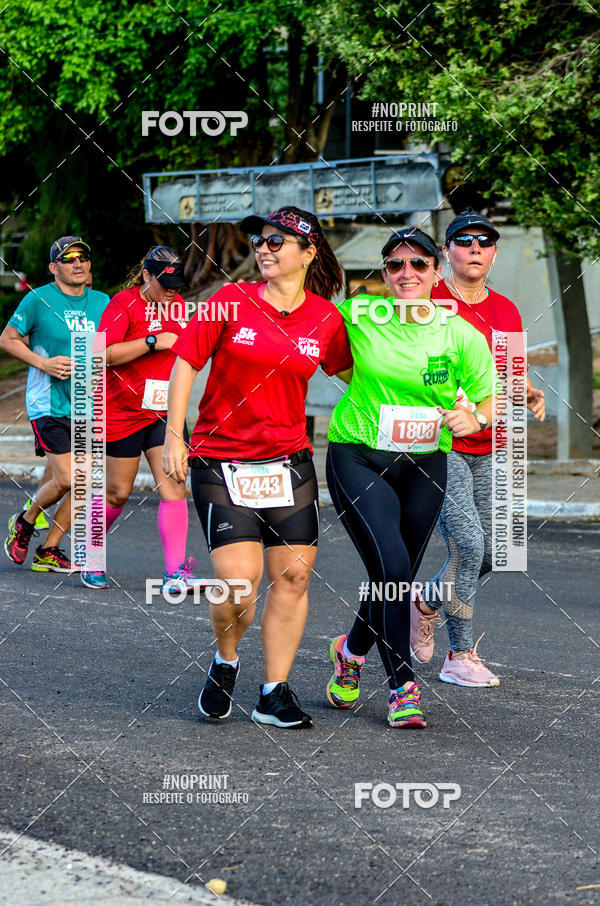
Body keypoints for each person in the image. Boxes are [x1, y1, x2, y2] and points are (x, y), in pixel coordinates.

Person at [163, 206, 352, 728]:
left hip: (290, 463)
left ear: (308, 252)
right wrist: (175, 435)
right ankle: (226, 661)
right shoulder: (229, 300)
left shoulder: (326, 318)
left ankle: (274, 692)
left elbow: (366, 374)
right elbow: (185, 364)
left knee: (291, 576)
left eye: (277, 241)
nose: (264, 249)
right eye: (261, 241)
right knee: (238, 586)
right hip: (220, 461)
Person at [325, 226, 499, 728]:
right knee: (395, 569)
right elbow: (327, 356)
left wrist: (476, 419)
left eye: (418, 264)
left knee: (392, 574)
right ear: (384, 273)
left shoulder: (460, 333)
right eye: (396, 265)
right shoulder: (358, 315)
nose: (407, 273)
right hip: (359, 456)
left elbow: (489, 397)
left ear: (436, 272)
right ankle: (402, 686)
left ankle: (351, 651)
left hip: (425, 464)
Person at [409, 209, 545, 685]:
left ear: (493, 253)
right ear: (446, 252)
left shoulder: (505, 309)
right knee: (468, 545)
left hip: (494, 439)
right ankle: (459, 655)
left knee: (495, 551)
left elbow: (507, 367)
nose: (474, 249)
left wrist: (526, 388)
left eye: (484, 242)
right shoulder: (428, 299)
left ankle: (426, 599)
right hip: (441, 441)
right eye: (463, 241)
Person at [80, 246, 207, 593]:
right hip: (120, 412)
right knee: (118, 493)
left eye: (177, 285)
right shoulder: (124, 303)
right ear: (146, 276)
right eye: (165, 284)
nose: (172, 291)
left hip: (163, 412)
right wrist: (151, 341)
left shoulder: (179, 306)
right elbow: (99, 353)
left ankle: (174, 573)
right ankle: (91, 553)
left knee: (175, 486)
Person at [1, 236, 109, 571]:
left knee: (83, 480)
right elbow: (7, 339)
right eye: (68, 258)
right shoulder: (38, 300)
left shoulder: (103, 302)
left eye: (83, 257)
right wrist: (42, 363)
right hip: (47, 402)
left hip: (87, 405)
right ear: (53, 268)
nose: (78, 263)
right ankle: (26, 520)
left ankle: (48, 550)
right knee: (68, 479)